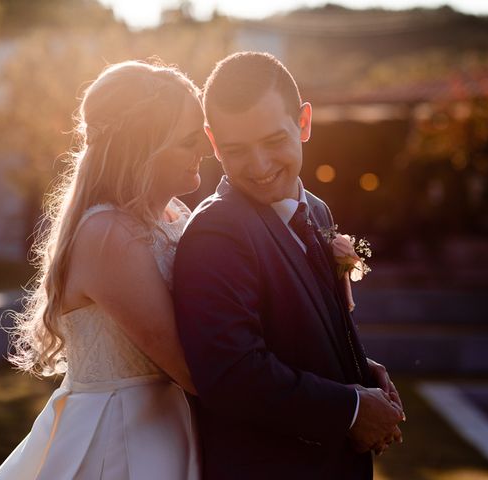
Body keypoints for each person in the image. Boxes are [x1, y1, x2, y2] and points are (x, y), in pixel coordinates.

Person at [173, 51, 405, 480]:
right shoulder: (216, 234)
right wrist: (352, 410)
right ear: (212, 141)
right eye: (235, 150)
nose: (259, 167)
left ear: (303, 122)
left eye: (273, 141)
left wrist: (360, 368)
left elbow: (301, 332)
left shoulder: (316, 211)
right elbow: (232, 375)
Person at [0, 60, 211, 480]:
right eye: (188, 139)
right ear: (142, 147)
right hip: (119, 437)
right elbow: (190, 366)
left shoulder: (173, 216)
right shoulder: (109, 235)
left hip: (171, 423)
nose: (204, 147)